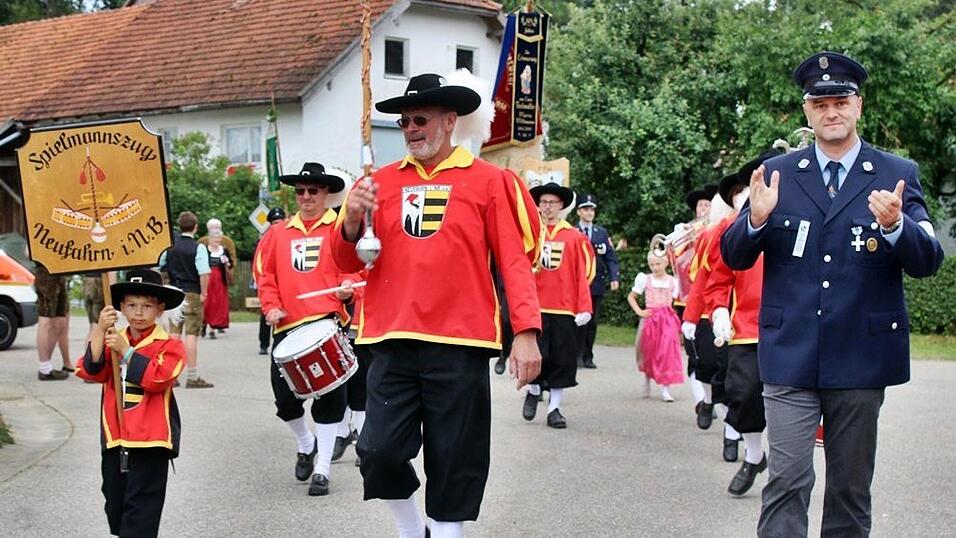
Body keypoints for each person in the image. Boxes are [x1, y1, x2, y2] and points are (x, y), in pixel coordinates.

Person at [721, 51, 944, 537]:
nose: (831, 112)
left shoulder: (894, 172)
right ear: (807, 111)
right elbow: (732, 255)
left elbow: (928, 259)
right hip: (790, 354)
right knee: (787, 479)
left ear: (858, 106)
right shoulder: (777, 172)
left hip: (861, 358)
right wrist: (755, 220)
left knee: (849, 488)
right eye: (820, 104)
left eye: (840, 101)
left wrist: (896, 226)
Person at [331, 72, 542, 538]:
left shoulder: (490, 182)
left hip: (460, 342)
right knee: (379, 452)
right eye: (404, 122)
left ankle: (444, 533)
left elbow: (514, 261)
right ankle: (413, 530)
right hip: (391, 337)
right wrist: (350, 217)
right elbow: (346, 260)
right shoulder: (377, 185)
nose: (410, 129)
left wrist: (525, 332)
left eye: (420, 119)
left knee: (455, 458)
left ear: (449, 121)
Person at [253, 162, 354, 497]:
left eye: (313, 190)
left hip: (326, 325)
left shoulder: (340, 229)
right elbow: (265, 278)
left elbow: (355, 268)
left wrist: (349, 287)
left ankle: (322, 468)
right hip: (287, 326)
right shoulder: (277, 233)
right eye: (301, 191)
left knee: (329, 401)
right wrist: (271, 307)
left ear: (326, 193)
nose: (307, 196)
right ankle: (305, 442)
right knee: (285, 401)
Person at [75, 269, 186, 538]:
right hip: (116, 439)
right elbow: (90, 370)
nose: (139, 312)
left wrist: (126, 351)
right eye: (132, 305)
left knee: (141, 516)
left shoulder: (169, 345)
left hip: (151, 443)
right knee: (116, 508)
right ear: (121, 307)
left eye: (147, 306)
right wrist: (100, 331)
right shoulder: (113, 338)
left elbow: (159, 379)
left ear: (160, 309)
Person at [705, 153, 777, 493]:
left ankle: (784, 470)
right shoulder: (736, 227)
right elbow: (718, 279)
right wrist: (718, 311)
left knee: (794, 403)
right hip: (747, 328)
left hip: (796, 330)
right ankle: (753, 455)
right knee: (745, 395)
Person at [524, 186, 593, 428]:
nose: (548, 206)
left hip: (564, 309)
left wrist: (584, 306)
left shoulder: (574, 237)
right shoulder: (530, 234)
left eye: (553, 202)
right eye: (544, 201)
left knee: (562, 361)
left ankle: (554, 409)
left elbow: (582, 274)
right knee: (534, 357)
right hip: (535, 307)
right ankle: (533, 390)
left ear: (561, 205)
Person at [161, 211, 213, 388]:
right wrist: (203, 292)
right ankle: (192, 376)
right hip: (192, 292)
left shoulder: (170, 247)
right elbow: (204, 272)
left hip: (174, 292)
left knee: (174, 335)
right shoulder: (198, 248)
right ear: (195, 227)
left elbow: (160, 265)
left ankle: (172, 375)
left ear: (179, 226)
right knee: (191, 335)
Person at [628, 251, 682, 402]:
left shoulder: (673, 282)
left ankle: (666, 387)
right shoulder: (645, 279)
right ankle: (647, 376)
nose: (654, 267)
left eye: (657, 264)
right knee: (648, 350)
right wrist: (640, 311)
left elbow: (681, 299)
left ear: (665, 263)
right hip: (650, 319)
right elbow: (631, 296)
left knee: (667, 351)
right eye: (651, 264)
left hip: (667, 319)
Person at [574, 193, 619, 369]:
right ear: (578, 211)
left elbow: (610, 257)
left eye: (592, 209)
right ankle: (576, 355)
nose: (590, 212)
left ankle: (588, 356)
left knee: (592, 322)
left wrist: (614, 277)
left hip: (596, 285)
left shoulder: (601, 233)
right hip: (578, 285)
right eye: (586, 208)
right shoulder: (572, 231)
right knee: (578, 321)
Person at [199, 218, 238, 337]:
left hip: (220, 278)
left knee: (218, 303)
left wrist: (229, 267)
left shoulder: (227, 243)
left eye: (217, 228)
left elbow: (232, 259)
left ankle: (214, 325)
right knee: (207, 303)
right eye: (213, 229)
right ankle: (204, 323)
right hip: (207, 277)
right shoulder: (202, 243)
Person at [34, 263, 72, 380]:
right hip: (46, 271)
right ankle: (44, 369)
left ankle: (47, 366)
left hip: (59, 271)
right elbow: (28, 250)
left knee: (60, 321)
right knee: (46, 320)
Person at [256, 207, 286, 355]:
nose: (277, 224)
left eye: (280, 221)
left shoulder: (287, 236)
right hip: (271, 286)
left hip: (286, 287)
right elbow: (259, 265)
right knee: (267, 315)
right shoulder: (264, 240)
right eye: (274, 222)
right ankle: (264, 343)